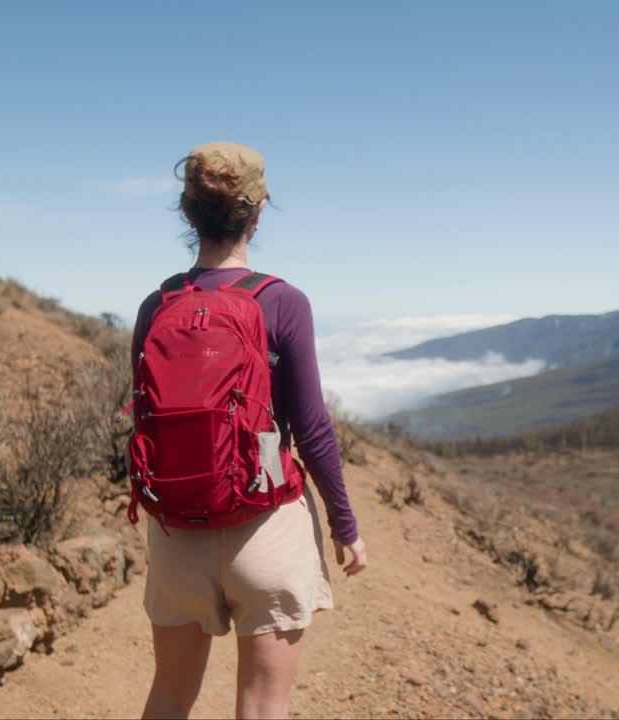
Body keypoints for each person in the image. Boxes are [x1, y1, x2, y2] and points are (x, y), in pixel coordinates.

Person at [131, 142, 367, 720]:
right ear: (257, 212)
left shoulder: (156, 305)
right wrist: (345, 526)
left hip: (177, 532)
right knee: (263, 706)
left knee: (168, 697)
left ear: (188, 213)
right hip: (265, 525)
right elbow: (311, 426)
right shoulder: (282, 301)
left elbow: (143, 420)